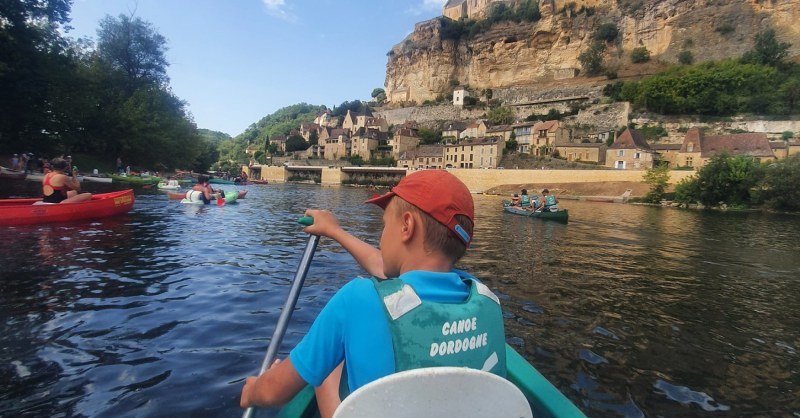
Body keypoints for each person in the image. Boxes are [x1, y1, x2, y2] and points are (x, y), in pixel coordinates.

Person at [239, 170, 507, 418]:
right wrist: (334, 231)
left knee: (330, 360)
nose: (381, 237)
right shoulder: (482, 296)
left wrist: (252, 390)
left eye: (384, 225)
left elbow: (273, 393)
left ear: (406, 226)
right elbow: (383, 266)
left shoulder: (358, 298)